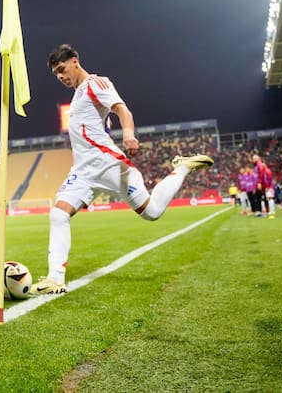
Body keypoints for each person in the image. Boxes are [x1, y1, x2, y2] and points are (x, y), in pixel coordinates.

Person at [29, 44, 214, 295]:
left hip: (107, 164)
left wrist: (128, 134)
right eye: (56, 74)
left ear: (75, 61)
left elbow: (121, 109)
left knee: (152, 212)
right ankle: (55, 279)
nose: (60, 76)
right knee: (58, 215)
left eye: (62, 69)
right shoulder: (78, 94)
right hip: (82, 172)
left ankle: (181, 168)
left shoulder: (96, 83)